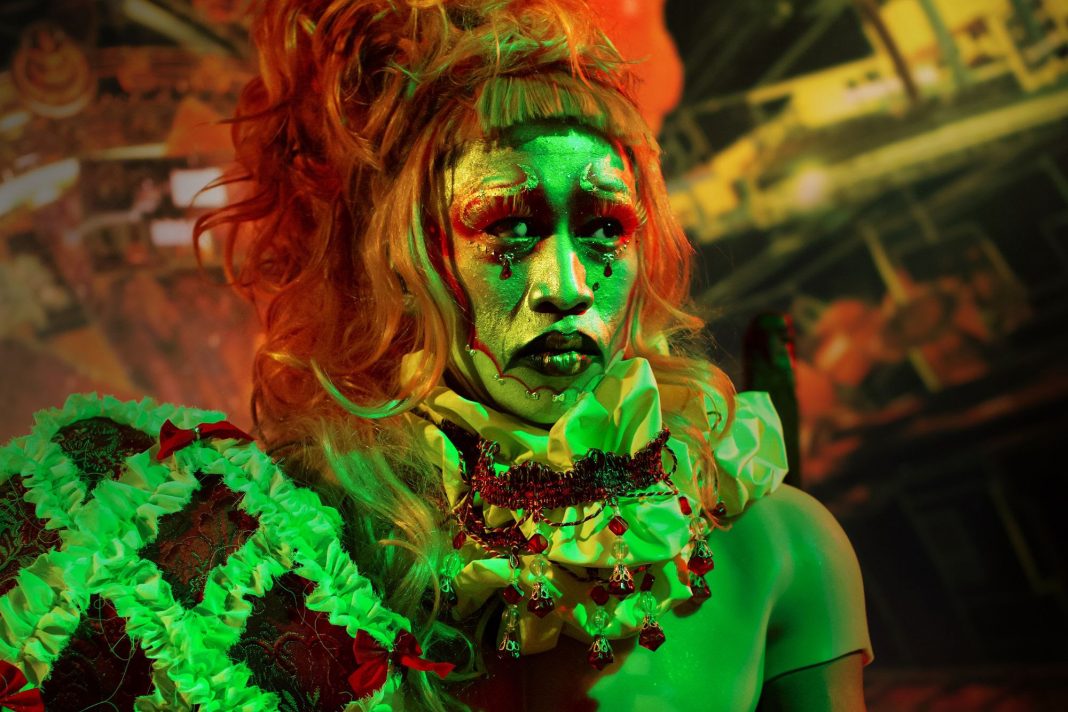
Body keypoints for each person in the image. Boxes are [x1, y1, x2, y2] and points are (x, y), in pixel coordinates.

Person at [0, 1, 871, 710]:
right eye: (507, 227)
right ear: (404, 263)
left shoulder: (778, 549)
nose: (566, 285)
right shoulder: (303, 545)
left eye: (605, 227)